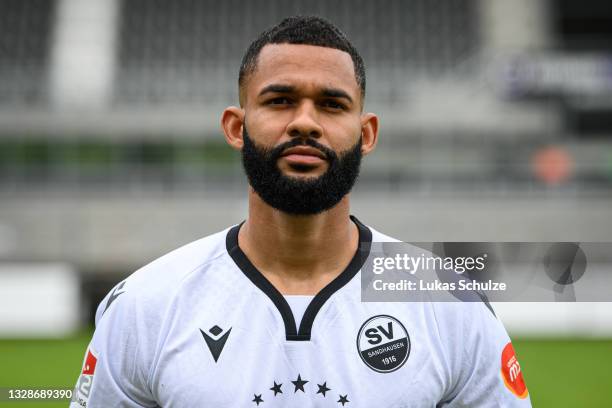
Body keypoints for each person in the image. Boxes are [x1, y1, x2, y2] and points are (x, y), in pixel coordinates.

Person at [70, 16, 531, 407]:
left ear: (367, 134)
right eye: (280, 100)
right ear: (236, 126)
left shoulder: (449, 304)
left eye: (332, 104)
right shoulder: (146, 306)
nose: (305, 122)